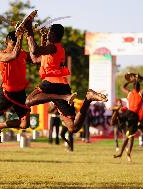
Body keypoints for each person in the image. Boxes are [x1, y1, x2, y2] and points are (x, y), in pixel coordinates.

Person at [24, 21, 108, 151]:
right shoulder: (55, 49)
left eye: (49, 32)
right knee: (73, 127)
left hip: (50, 83)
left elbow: (35, 50)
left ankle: (64, 97)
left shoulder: (53, 47)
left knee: (28, 101)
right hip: (62, 85)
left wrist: (29, 31)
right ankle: (88, 98)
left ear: (53, 34)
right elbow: (35, 58)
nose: (47, 34)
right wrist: (39, 37)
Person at [114, 74, 143, 164]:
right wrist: (137, 78)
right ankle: (123, 153)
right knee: (131, 137)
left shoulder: (133, 93)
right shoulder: (137, 93)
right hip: (136, 119)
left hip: (139, 119)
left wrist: (132, 80)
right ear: (138, 87)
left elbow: (122, 86)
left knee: (133, 137)